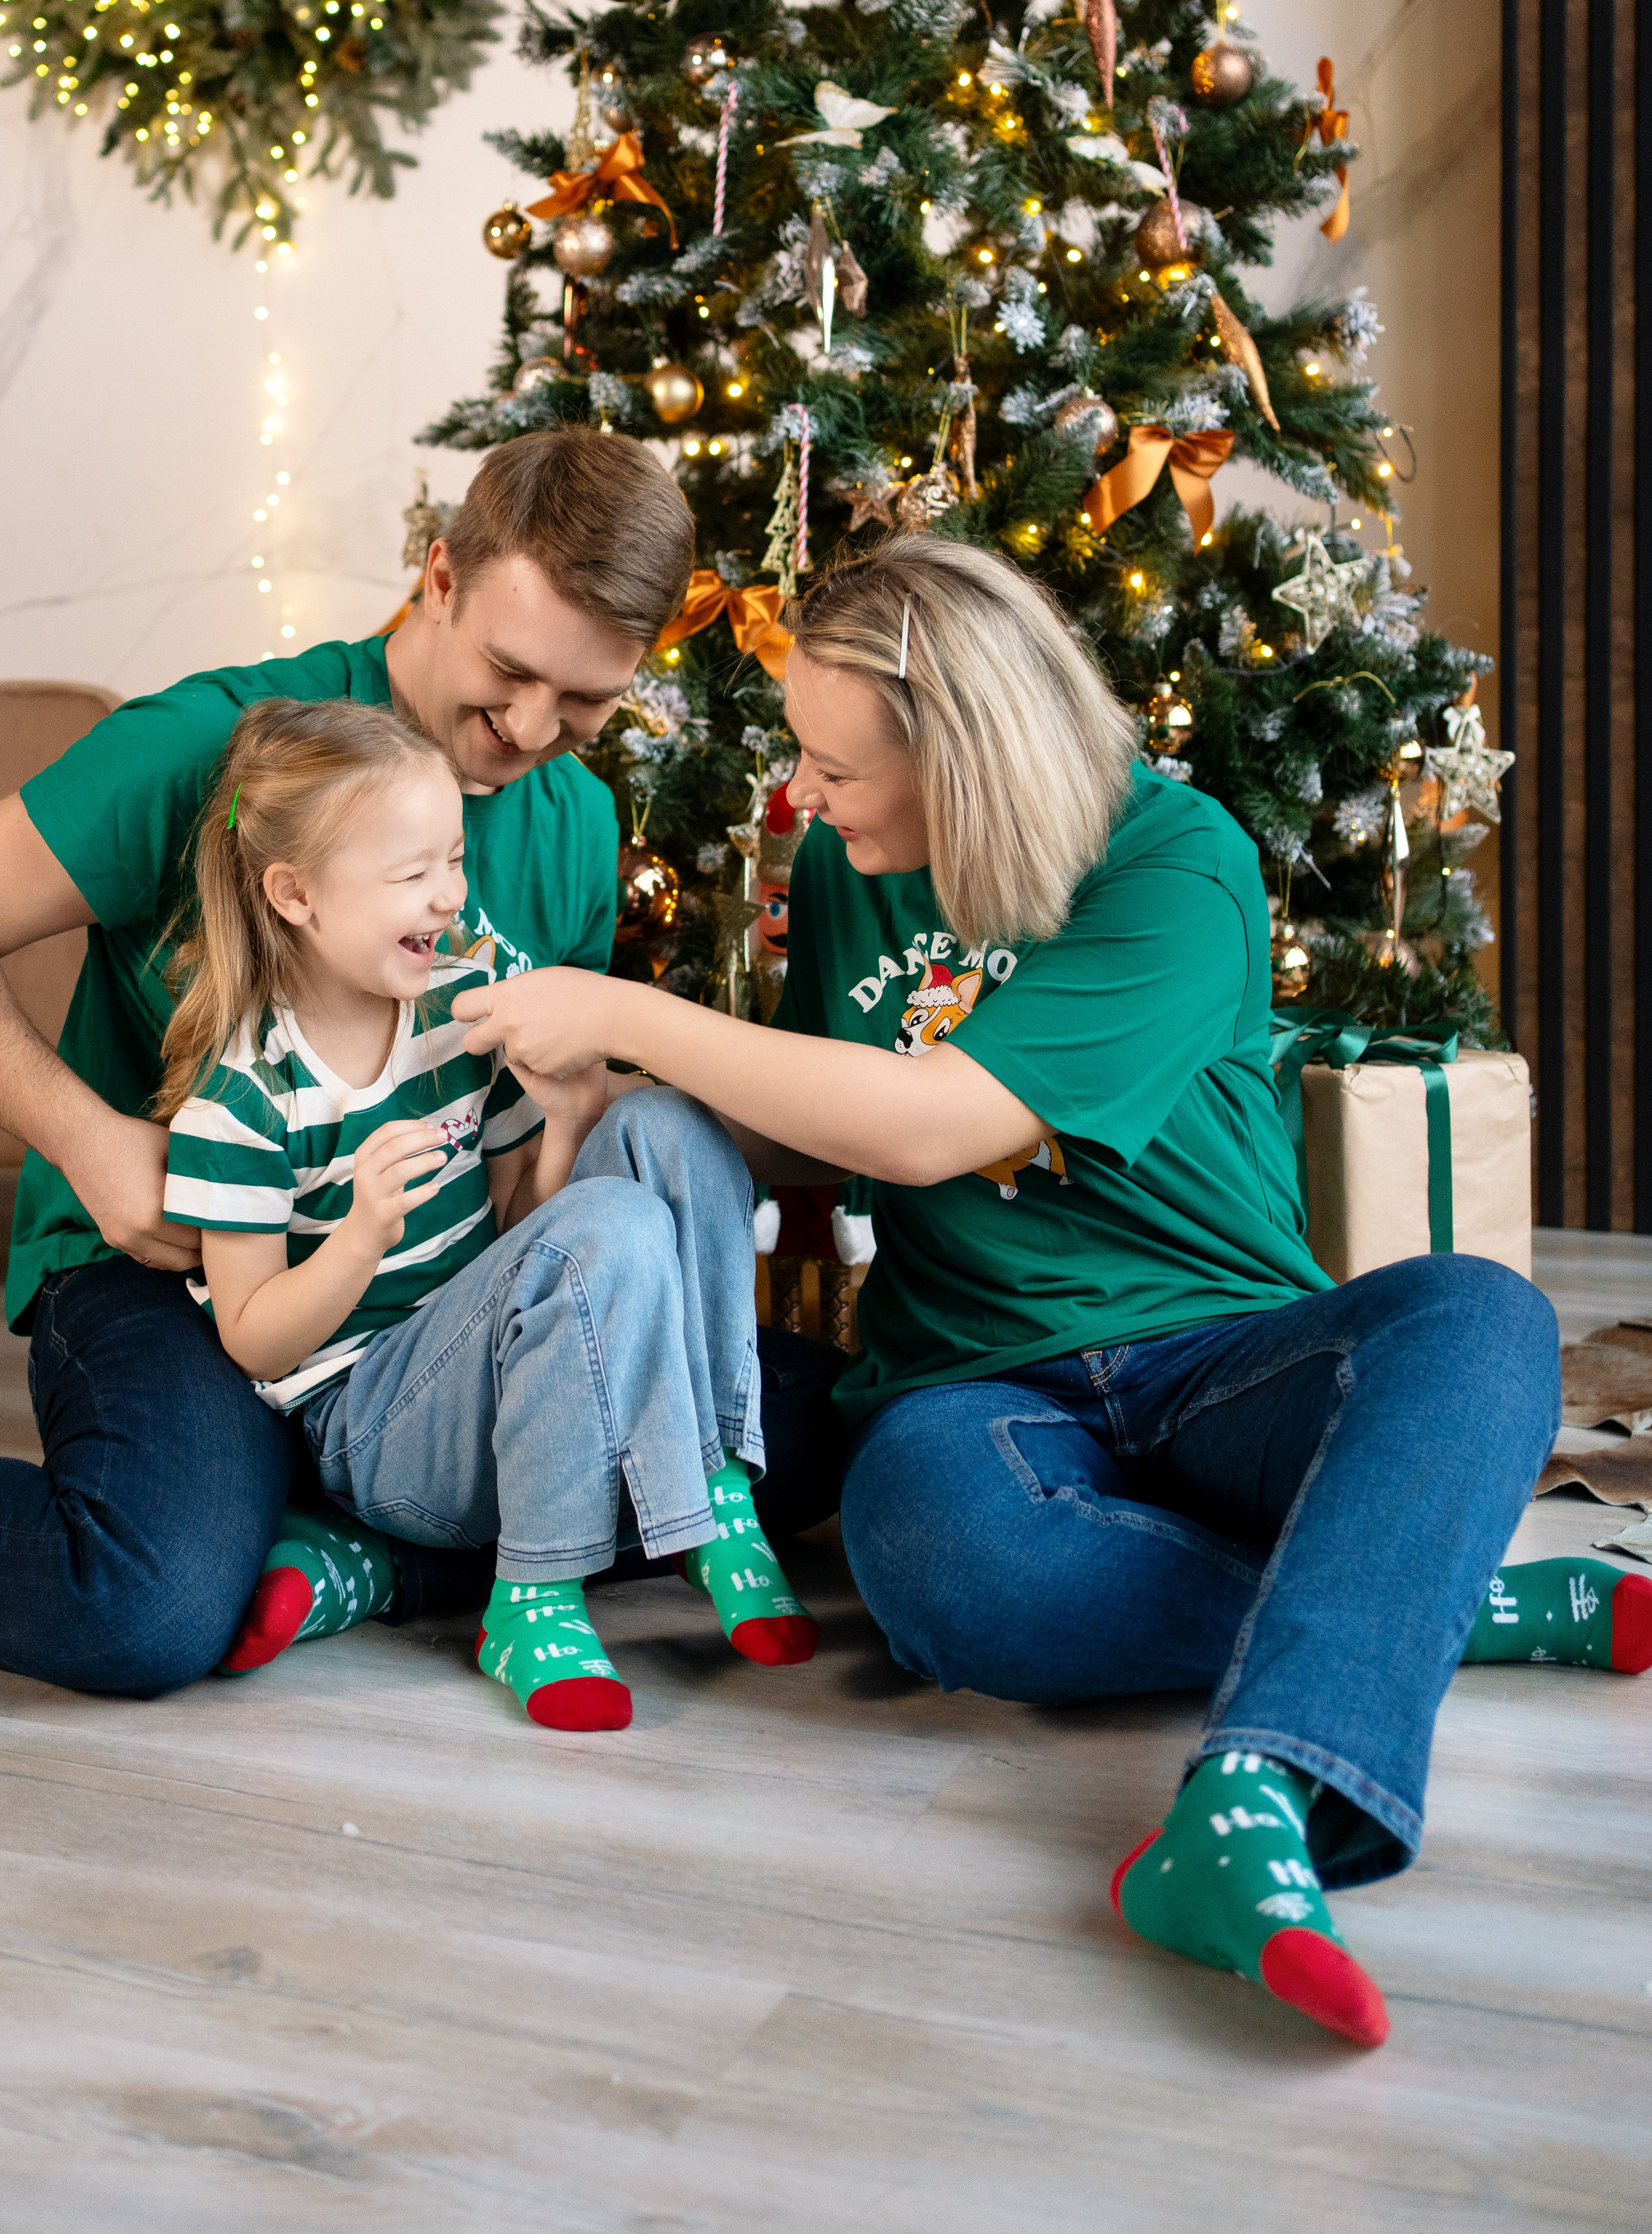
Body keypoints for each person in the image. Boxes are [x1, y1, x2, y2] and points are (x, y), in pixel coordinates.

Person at [455, 536, 1650, 2047]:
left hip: (1218, 1352)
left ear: (960, 757)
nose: (803, 796)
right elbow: (839, 1112)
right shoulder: (844, 868)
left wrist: (627, 1006)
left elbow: (936, 1119)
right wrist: (623, 1098)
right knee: (942, 1569)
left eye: (837, 765)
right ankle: (1422, 1598)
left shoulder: (1177, 858)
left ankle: (1258, 1797)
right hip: (973, 1395)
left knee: (1481, 1321)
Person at [0, 432, 841, 1687]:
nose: (530, 728)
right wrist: (89, 1140)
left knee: (810, 1431)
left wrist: (574, 1124)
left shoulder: (573, 822)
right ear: (438, 575)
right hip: (166, 1265)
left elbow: (528, 1201)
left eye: (588, 701)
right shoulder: (214, 746)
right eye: (509, 670)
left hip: (415, 1312)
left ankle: (354, 1556)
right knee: (143, 1609)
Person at [151, 695, 811, 1729]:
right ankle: (532, 1595)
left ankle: (714, 1479)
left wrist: (568, 1122)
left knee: (675, 1126)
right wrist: (361, 1238)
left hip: (504, 1375)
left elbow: (523, 1235)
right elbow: (251, 1340)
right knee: (620, 1226)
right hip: (376, 1426)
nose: (450, 896)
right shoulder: (244, 1102)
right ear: (295, 894)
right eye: (412, 875)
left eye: (454, 861)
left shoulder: (462, 999)